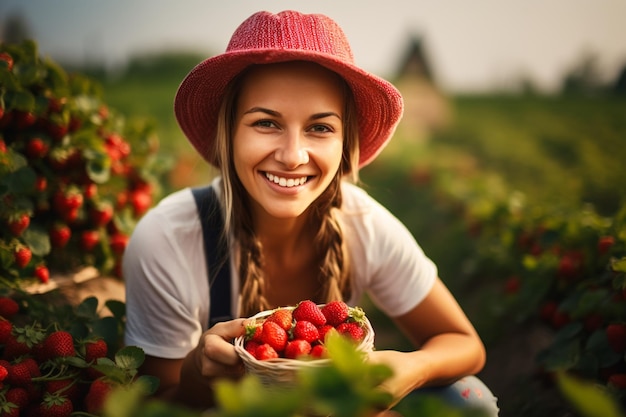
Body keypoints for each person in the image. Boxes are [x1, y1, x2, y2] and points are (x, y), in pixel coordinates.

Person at [123, 9, 499, 416]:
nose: (292, 155)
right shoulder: (168, 238)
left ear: (344, 143)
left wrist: (411, 366)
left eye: (320, 128)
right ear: (228, 132)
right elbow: (158, 407)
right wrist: (198, 370)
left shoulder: (363, 224)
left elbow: (465, 344)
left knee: (471, 400)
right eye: (266, 123)